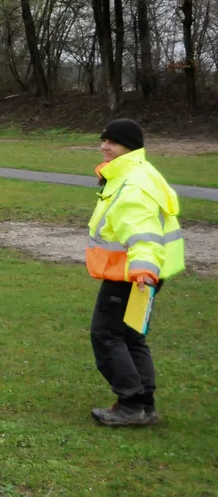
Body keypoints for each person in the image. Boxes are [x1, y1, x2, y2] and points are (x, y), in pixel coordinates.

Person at [86, 119, 185, 427]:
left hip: (130, 275)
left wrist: (142, 270)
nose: (104, 146)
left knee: (106, 335)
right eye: (103, 140)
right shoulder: (134, 173)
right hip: (141, 273)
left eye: (112, 142)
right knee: (131, 336)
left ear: (130, 146)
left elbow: (144, 233)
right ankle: (144, 403)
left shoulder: (133, 184)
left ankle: (130, 404)